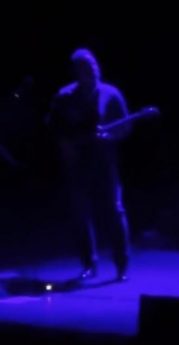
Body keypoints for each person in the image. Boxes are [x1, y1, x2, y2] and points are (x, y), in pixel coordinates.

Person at [47, 48, 131, 281]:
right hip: (77, 165)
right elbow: (54, 127)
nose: (91, 69)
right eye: (84, 67)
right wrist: (67, 146)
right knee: (80, 213)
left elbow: (125, 127)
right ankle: (88, 264)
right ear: (76, 72)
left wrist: (109, 136)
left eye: (93, 64)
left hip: (105, 163)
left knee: (114, 210)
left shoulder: (111, 94)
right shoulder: (64, 96)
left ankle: (122, 264)